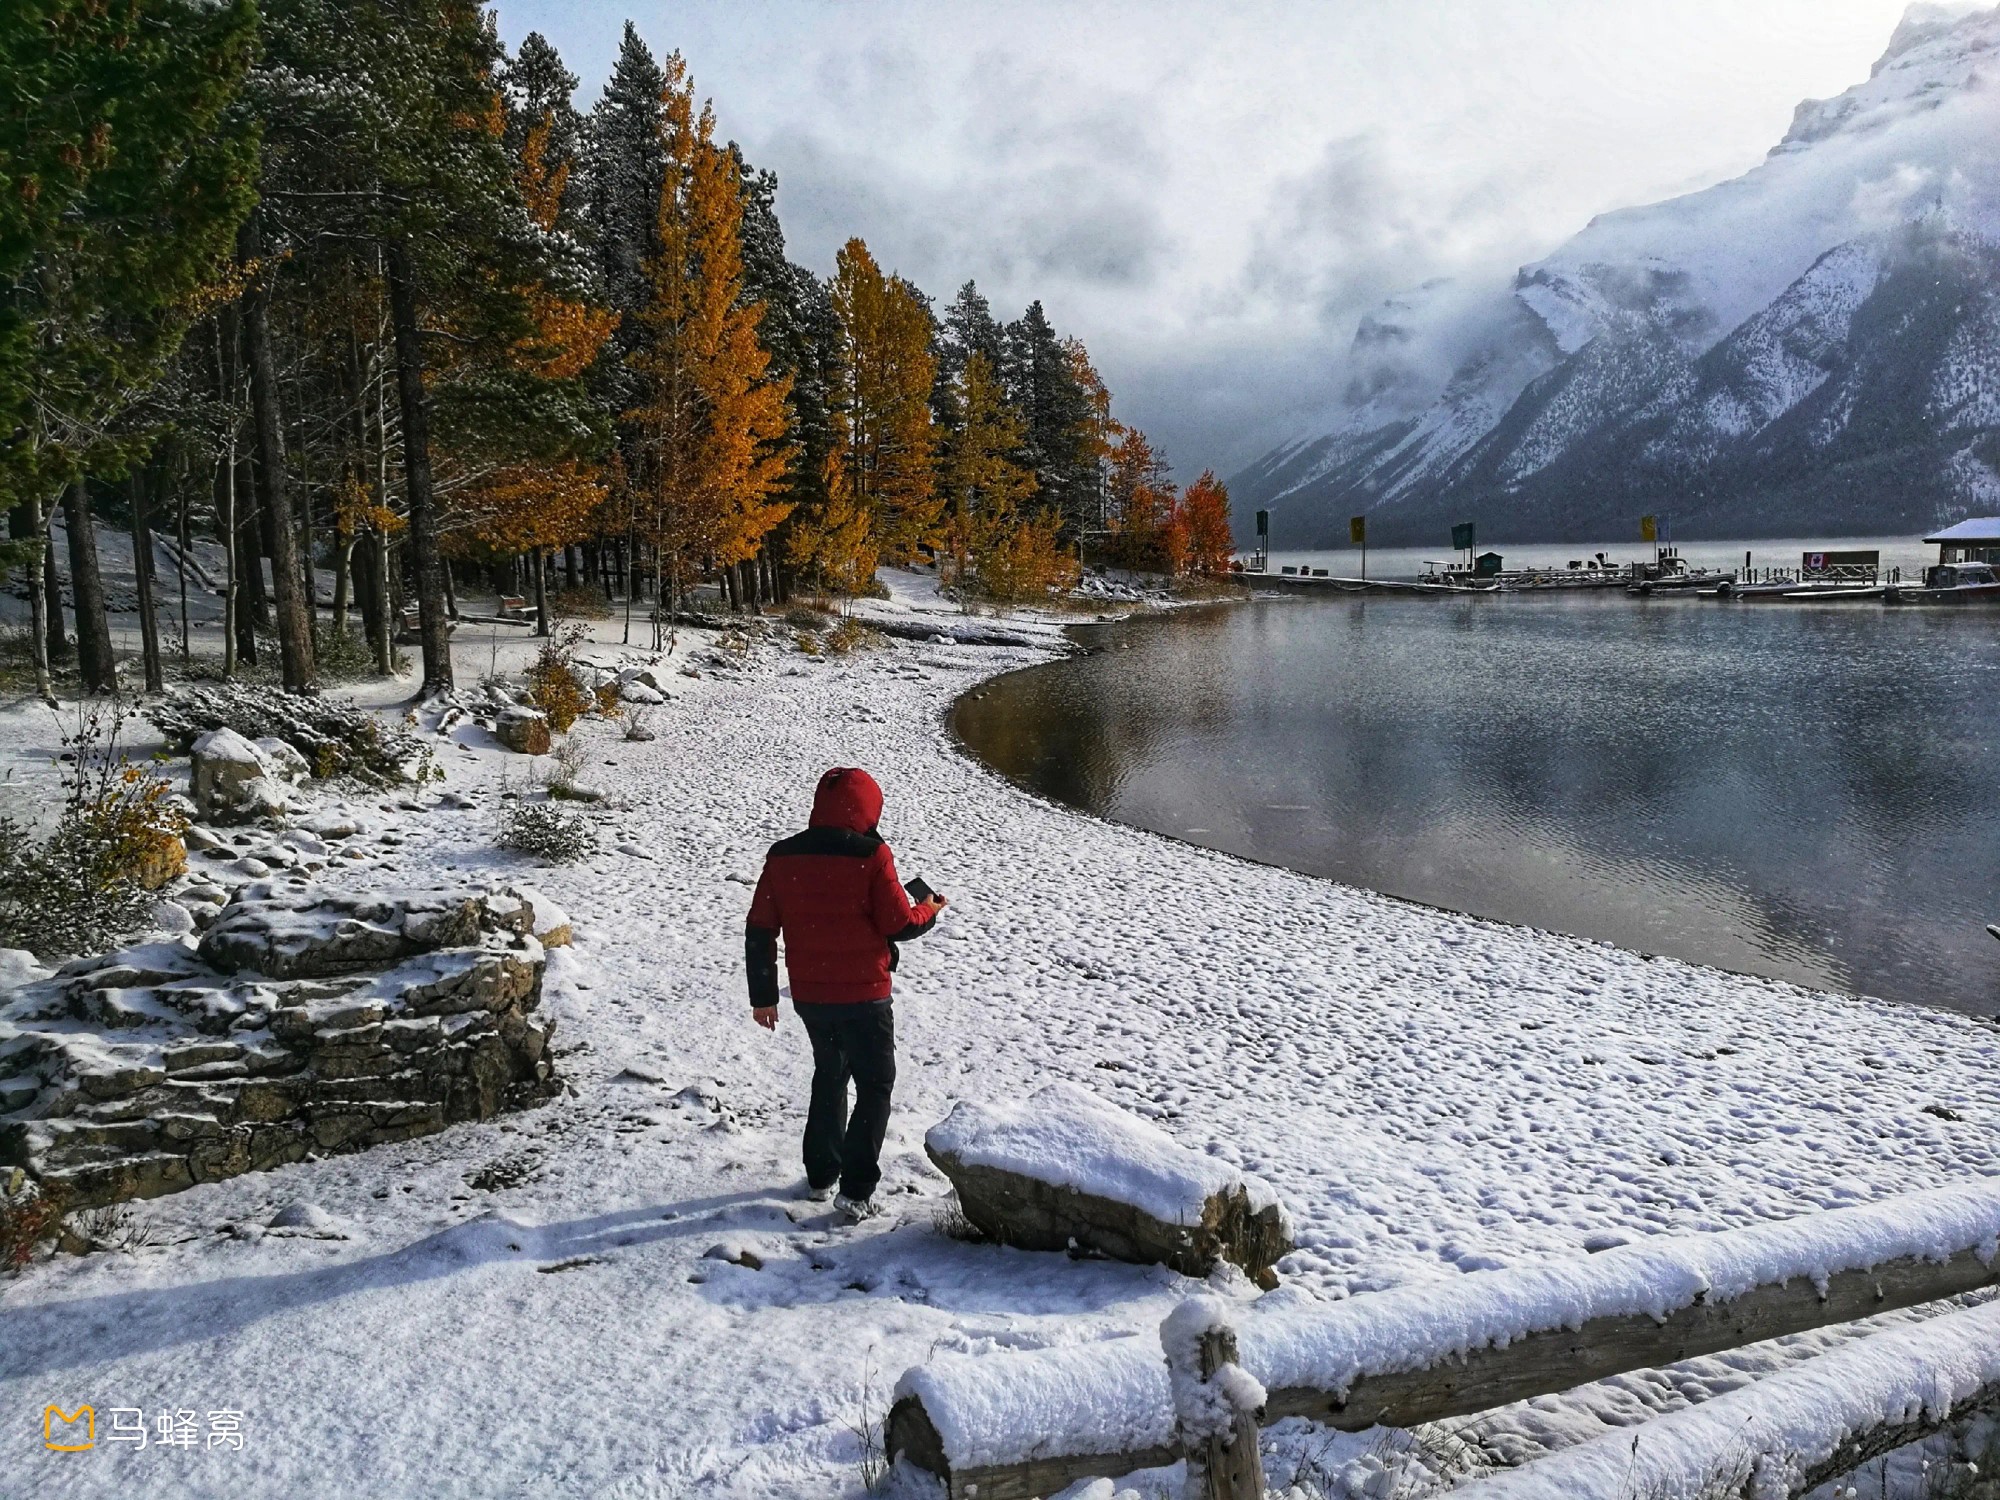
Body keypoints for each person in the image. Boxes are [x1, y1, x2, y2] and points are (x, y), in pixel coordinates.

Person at [745, 767, 946, 1221]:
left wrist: (763, 996)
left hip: (812, 997)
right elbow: (899, 924)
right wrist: (929, 909)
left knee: (830, 1075)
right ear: (869, 808)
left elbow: (760, 928)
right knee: (874, 1085)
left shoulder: (782, 855)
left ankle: (820, 1177)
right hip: (866, 997)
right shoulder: (873, 855)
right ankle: (856, 1191)